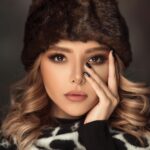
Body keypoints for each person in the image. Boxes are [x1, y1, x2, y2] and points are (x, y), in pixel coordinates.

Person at [0, 0, 150, 149]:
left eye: (95, 59)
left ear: (115, 66)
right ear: (38, 66)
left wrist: (96, 135)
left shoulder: (142, 142)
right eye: (59, 57)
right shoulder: (11, 143)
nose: (78, 77)